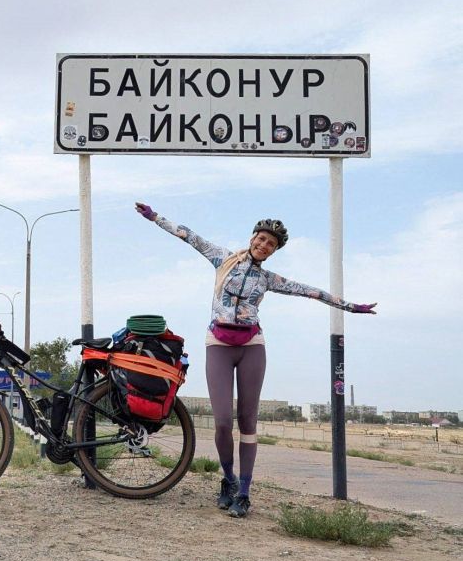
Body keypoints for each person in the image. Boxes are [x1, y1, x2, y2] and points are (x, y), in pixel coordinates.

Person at [135, 203, 376, 518]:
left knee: (248, 421)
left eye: (270, 244)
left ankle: (245, 493)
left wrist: (350, 307)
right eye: (261, 239)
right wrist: (155, 218)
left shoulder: (269, 279)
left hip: (252, 345)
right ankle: (229, 479)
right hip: (218, 343)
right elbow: (189, 236)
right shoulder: (222, 258)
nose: (263, 245)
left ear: (273, 251)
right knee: (222, 421)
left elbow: (310, 292)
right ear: (252, 238)